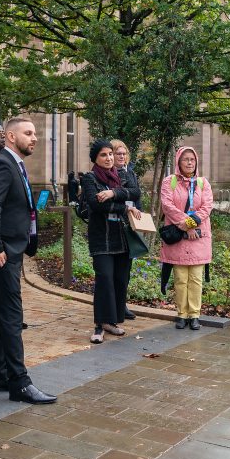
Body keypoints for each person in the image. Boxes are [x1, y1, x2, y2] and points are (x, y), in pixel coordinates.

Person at [0, 117, 56, 404]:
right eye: (28, 133)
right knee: (12, 317)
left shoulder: (16, 164)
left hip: (11, 251)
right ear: (11, 137)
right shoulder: (3, 163)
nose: (34, 138)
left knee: (2, 316)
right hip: (2, 255)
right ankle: (20, 383)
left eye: (35, 133)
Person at [82, 140, 140, 343]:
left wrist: (113, 193)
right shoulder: (90, 178)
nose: (108, 158)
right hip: (102, 238)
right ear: (95, 159)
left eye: (110, 154)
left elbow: (135, 192)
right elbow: (95, 205)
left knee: (120, 279)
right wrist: (124, 208)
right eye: (103, 155)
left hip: (122, 237)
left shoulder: (121, 175)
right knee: (104, 278)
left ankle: (112, 321)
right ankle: (99, 325)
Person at [159, 146, 213, 330]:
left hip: (198, 237)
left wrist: (190, 224)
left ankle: (195, 315)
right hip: (178, 237)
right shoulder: (169, 182)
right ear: (178, 162)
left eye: (192, 159)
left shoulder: (203, 183)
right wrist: (186, 225)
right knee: (181, 278)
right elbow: (167, 206)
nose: (189, 162)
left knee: (196, 278)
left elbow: (207, 207)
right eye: (185, 159)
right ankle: (182, 314)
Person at [109, 139, 144, 323]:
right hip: (113, 225)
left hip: (129, 226)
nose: (121, 156)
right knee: (112, 271)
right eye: (118, 153)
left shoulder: (130, 173)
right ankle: (112, 307)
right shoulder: (108, 175)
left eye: (124, 154)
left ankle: (122, 305)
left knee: (125, 271)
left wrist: (141, 216)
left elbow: (136, 197)